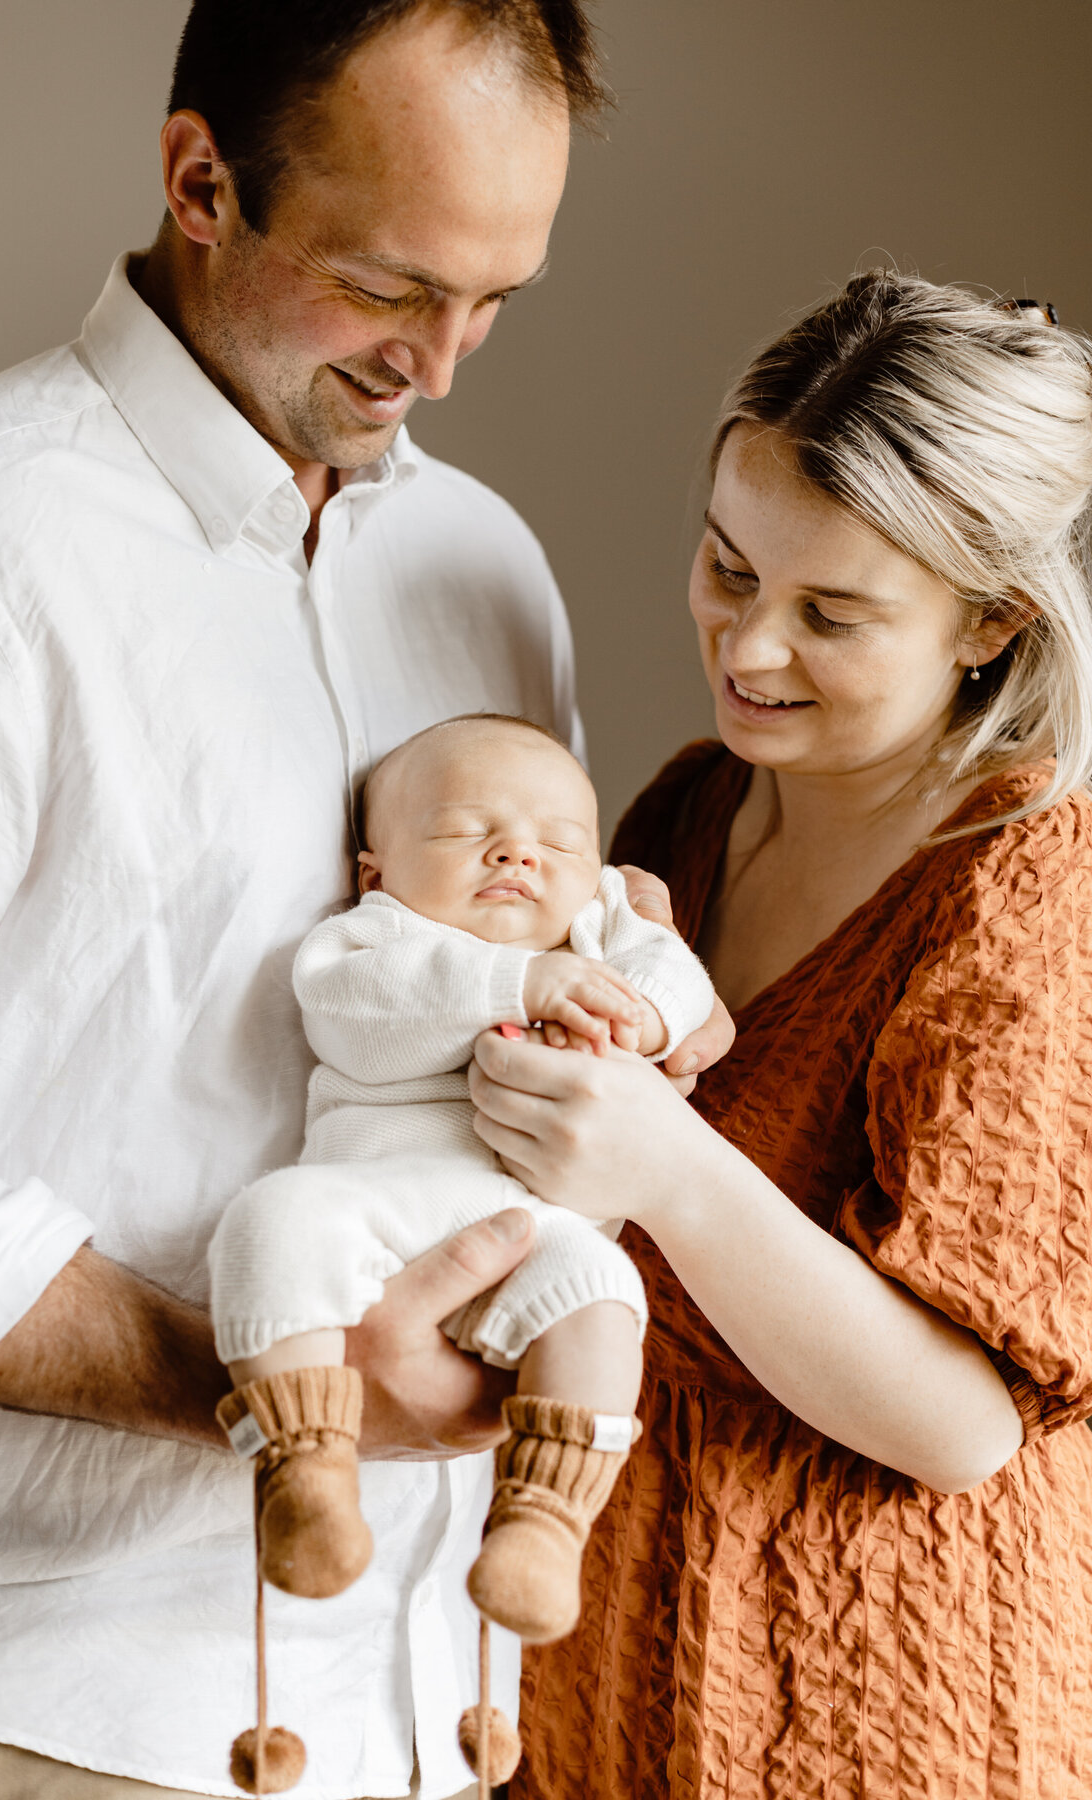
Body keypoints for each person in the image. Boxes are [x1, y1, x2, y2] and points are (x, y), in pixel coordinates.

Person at [0, 5, 729, 1797]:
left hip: (443, 1705)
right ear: (202, 180)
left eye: (498, 299)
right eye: (392, 286)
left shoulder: (481, 564)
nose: (444, 364)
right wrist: (247, 1373)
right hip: (81, 1696)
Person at [465, 273, 1092, 1796]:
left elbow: (960, 1426)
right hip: (601, 1684)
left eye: (834, 615)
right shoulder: (686, 809)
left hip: (880, 1704)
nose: (750, 647)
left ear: (990, 625)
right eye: (729, 567)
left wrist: (668, 1164)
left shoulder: (1034, 897)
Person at [208, 715, 713, 1715]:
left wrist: (650, 1015)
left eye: (558, 841)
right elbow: (359, 1013)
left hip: (539, 1230)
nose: (518, 852)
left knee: (607, 1295)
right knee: (272, 1224)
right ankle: (306, 1471)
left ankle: (545, 1520)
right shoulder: (372, 940)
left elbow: (678, 982)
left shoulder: (602, 929)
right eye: (464, 834)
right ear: (376, 869)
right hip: (375, 1205)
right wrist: (519, 980)